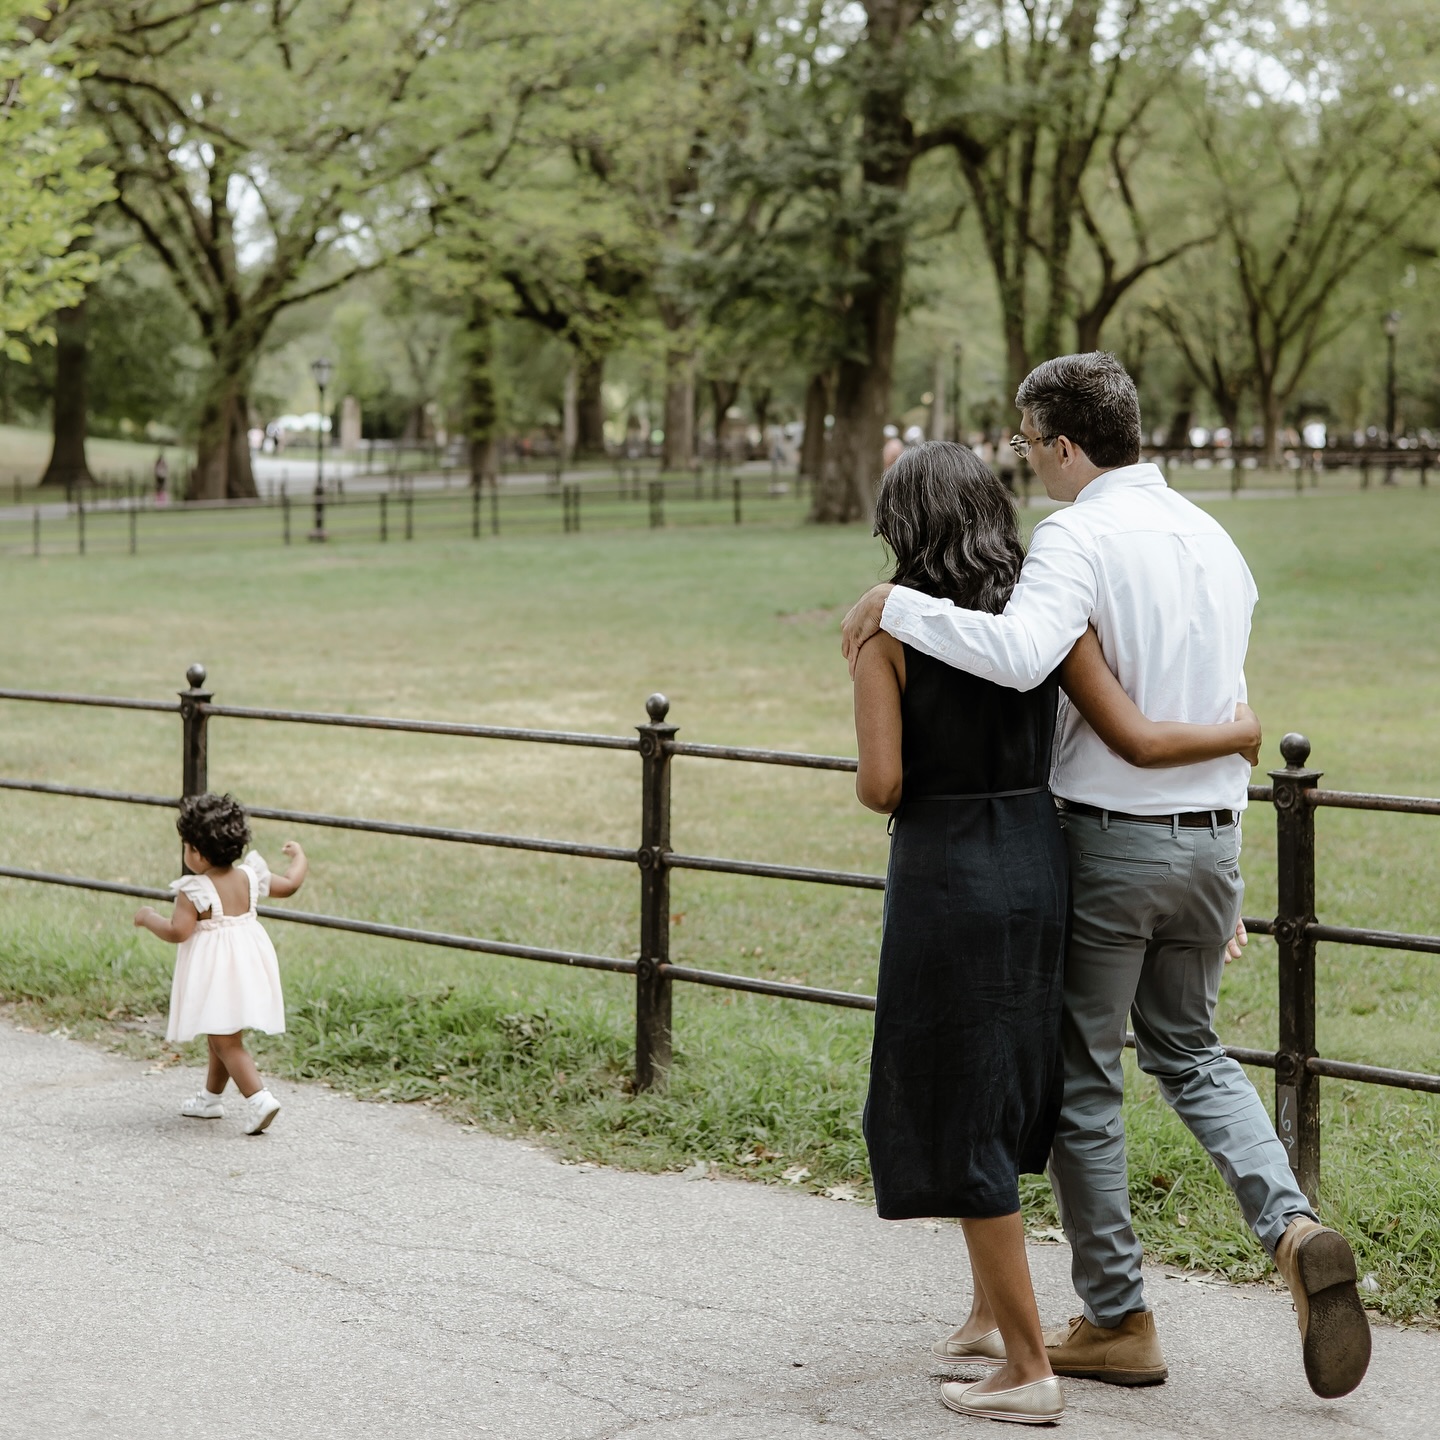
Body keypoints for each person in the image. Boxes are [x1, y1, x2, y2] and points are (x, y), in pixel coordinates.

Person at [842, 353, 1371, 1402]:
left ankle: (1119, 1317)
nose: (1029, 465)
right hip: (1209, 839)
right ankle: (1291, 1223)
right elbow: (1228, 707)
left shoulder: (1077, 535)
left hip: (1107, 842)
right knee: (1193, 1051)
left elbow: (1020, 653)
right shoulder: (1212, 539)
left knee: (1084, 1077)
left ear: (1066, 445)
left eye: (1031, 446)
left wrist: (891, 609)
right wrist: (1223, 860)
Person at [853, 441, 1261, 1427]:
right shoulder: (1044, 619)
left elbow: (883, 785)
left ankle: (1027, 1367)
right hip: (1041, 863)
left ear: (902, 525)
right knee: (1009, 1078)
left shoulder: (888, 631)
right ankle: (992, 1315)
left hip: (950, 868)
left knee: (956, 1094)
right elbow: (1115, 730)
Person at [133, 793, 308, 1135]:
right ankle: (210, 1099)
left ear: (196, 852)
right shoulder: (249, 875)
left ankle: (259, 1098)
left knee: (226, 1041)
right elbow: (289, 885)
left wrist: (148, 918)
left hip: (217, 972)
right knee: (220, 1035)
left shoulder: (194, 889)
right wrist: (300, 856)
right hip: (247, 965)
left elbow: (178, 931)